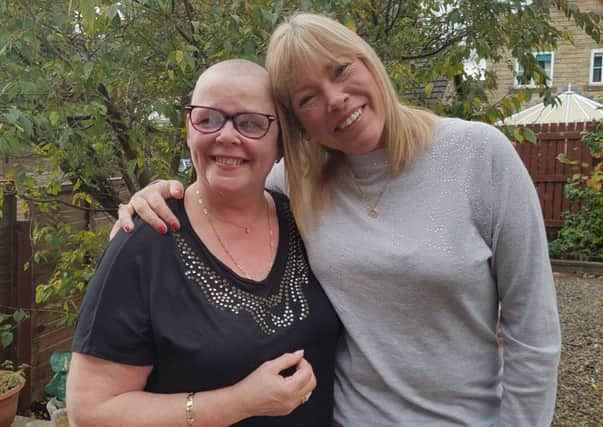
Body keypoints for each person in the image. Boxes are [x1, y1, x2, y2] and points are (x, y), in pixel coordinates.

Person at [115, 13, 561, 426]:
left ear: (369, 63)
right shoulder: (296, 183)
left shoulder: (480, 157)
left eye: (341, 70)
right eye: (308, 97)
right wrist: (159, 193)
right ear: (298, 125)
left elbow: (534, 336)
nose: (335, 99)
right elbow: (224, 183)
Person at [67, 59, 341, 427]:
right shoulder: (145, 243)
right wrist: (237, 403)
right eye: (209, 119)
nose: (227, 136)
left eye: (251, 123)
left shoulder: (307, 223)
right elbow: (91, 412)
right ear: (189, 129)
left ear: (281, 142)